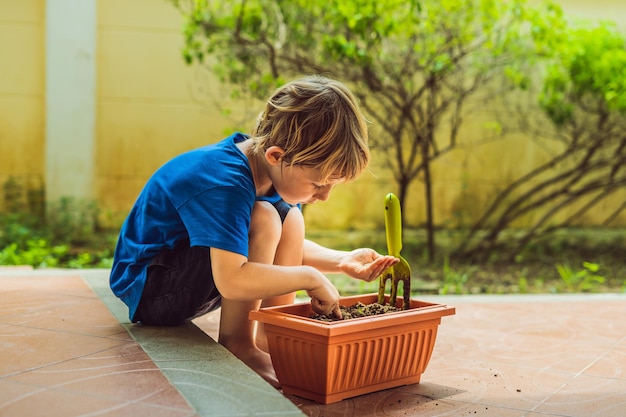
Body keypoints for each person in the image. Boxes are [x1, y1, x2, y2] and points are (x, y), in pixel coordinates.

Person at [109, 75, 399, 387]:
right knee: (265, 216)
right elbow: (233, 279)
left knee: (290, 219)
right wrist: (310, 278)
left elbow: (270, 245)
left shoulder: (272, 170)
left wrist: (341, 261)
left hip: (190, 277)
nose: (324, 196)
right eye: (318, 183)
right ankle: (239, 343)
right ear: (277, 155)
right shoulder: (226, 181)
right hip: (151, 288)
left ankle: (271, 334)